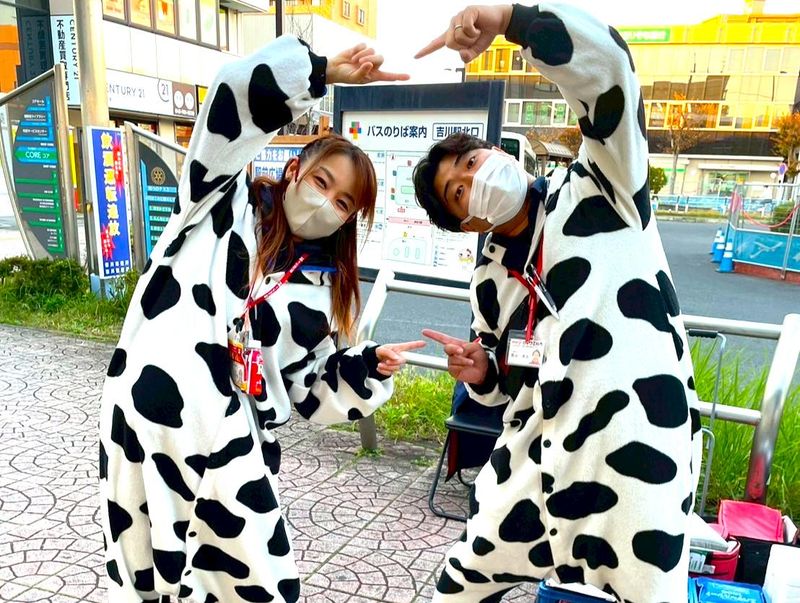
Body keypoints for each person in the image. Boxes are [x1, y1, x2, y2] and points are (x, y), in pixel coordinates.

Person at [99, 37, 422, 603]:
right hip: (147, 421)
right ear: (294, 169)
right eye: (322, 182)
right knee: (142, 576)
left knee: (258, 584)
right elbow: (232, 94)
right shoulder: (216, 203)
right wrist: (320, 72)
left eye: (344, 203)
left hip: (235, 443)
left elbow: (310, 389)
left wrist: (369, 366)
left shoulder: (319, 292)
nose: (327, 203)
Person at [414, 4, 702, 602]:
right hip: (534, 458)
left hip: (633, 443)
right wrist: (482, 372)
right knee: (460, 582)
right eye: (459, 191)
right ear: (466, 223)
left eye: (472, 161)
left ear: (495, 150)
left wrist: (510, 19)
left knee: (646, 591)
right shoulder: (489, 275)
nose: (475, 179)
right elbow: (503, 384)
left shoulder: (602, 185)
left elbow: (609, 74)